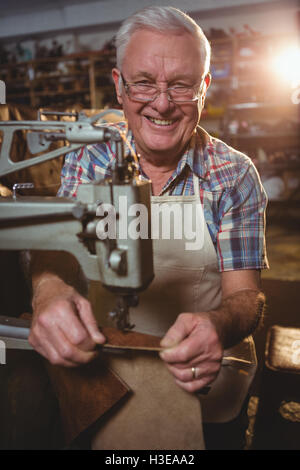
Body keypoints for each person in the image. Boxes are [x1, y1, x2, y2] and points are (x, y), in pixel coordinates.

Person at [28, 6, 268, 449]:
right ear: (119, 86)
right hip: (107, 383)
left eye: (180, 85)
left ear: (204, 88)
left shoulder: (232, 175)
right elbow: (57, 248)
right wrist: (48, 290)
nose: (161, 104)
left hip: (208, 390)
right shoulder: (89, 157)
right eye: (143, 83)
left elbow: (245, 296)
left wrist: (218, 324)